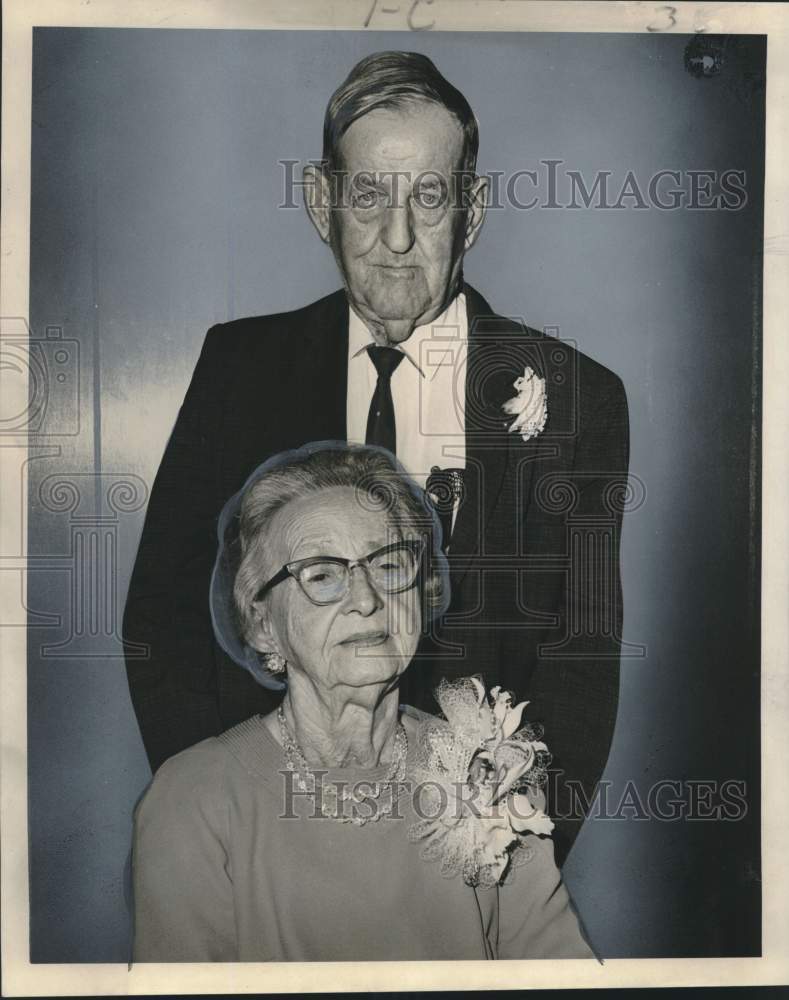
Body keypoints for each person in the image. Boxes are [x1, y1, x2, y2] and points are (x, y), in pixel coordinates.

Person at [123, 50, 630, 866]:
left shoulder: (577, 399)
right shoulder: (238, 369)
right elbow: (162, 619)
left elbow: (583, 655)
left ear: (472, 211)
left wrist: (509, 853)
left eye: (429, 197)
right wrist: (224, 819)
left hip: (472, 859)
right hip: (266, 844)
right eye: (368, 196)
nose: (397, 240)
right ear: (323, 205)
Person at [131, 443, 595, 962]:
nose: (367, 598)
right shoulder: (194, 801)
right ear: (263, 626)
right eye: (322, 574)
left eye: (389, 564)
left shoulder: (486, 770)